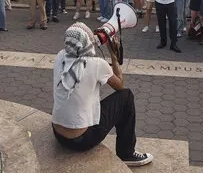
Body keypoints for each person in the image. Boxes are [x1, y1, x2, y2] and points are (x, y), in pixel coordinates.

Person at [51, 22, 153, 167]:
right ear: (88, 42)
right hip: (83, 140)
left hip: (59, 135)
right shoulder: (97, 64)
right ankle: (126, 153)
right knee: (126, 97)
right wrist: (113, 53)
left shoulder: (60, 56)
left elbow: (78, 47)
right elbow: (120, 86)